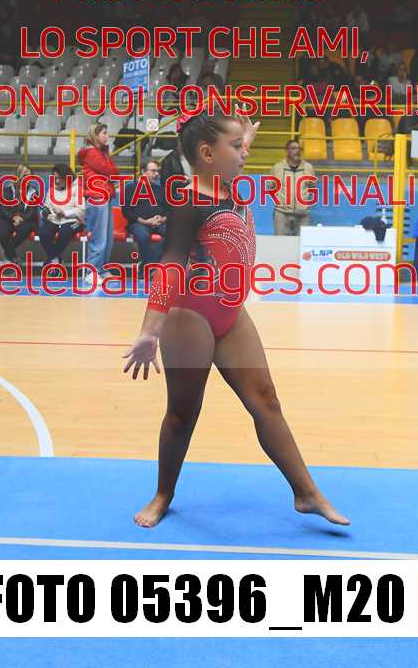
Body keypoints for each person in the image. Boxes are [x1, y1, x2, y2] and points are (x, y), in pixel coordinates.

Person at [123, 109, 349, 529]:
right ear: (208, 154)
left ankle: (306, 492)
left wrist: (244, 135)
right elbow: (170, 266)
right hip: (190, 317)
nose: (245, 151)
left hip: (231, 312)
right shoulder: (189, 202)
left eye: (244, 144)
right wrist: (149, 332)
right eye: (237, 146)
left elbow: (232, 149)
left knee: (266, 400)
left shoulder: (228, 185)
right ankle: (163, 494)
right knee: (183, 413)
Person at [78, 122, 118, 282]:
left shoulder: (101, 152)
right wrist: (110, 167)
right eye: (104, 133)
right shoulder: (92, 153)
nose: (107, 136)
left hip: (104, 196)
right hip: (97, 197)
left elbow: (112, 172)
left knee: (107, 238)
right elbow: (112, 171)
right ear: (95, 135)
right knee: (99, 238)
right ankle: (91, 271)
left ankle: (101, 269)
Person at [39, 164, 85, 270]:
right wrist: (44, 213)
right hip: (54, 220)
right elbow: (46, 208)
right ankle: (56, 259)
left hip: (73, 221)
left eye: (60, 178)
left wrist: (64, 213)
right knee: (43, 233)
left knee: (64, 233)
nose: (57, 181)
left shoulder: (77, 189)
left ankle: (51, 260)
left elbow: (82, 211)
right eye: (55, 178)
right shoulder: (52, 190)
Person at [122, 159, 166, 268]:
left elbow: (170, 210)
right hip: (139, 223)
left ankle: (148, 265)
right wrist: (145, 222)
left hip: (160, 223)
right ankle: (151, 266)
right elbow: (126, 212)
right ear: (143, 171)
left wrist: (162, 219)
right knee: (143, 236)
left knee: (174, 234)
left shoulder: (161, 189)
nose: (156, 174)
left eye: (158, 171)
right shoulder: (130, 188)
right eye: (153, 171)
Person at [0, 164, 39, 264]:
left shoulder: (33, 191)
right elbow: (3, 210)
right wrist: (13, 218)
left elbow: (32, 212)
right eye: (25, 176)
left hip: (24, 220)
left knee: (26, 229)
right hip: (8, 219)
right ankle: (12, 256)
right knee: (2, 231)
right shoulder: (8, 189)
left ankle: (8, 254)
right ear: (19, 175)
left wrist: (20, 218)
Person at [269, 140, 315, 236]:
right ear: (287, 151)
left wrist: (303, 203)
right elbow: (270, 187)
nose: (297, 151)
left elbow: (312, 187)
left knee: (302, 243)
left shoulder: (308, 167)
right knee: (280, 242)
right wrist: (281, 201)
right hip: (282, 214)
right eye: (294, 148)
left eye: (299, 148)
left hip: (303, 215)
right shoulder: (277, 167)